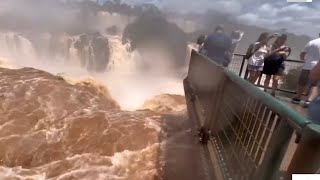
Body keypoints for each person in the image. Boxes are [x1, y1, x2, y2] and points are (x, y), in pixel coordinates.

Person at [291, 37, 320, 106]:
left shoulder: (312, 42)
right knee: (314, 85)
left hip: (307, 66)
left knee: (302, 83)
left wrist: (304, 60)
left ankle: (298, 98)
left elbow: (302, 54)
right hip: (317, 68)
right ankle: (309, 100)